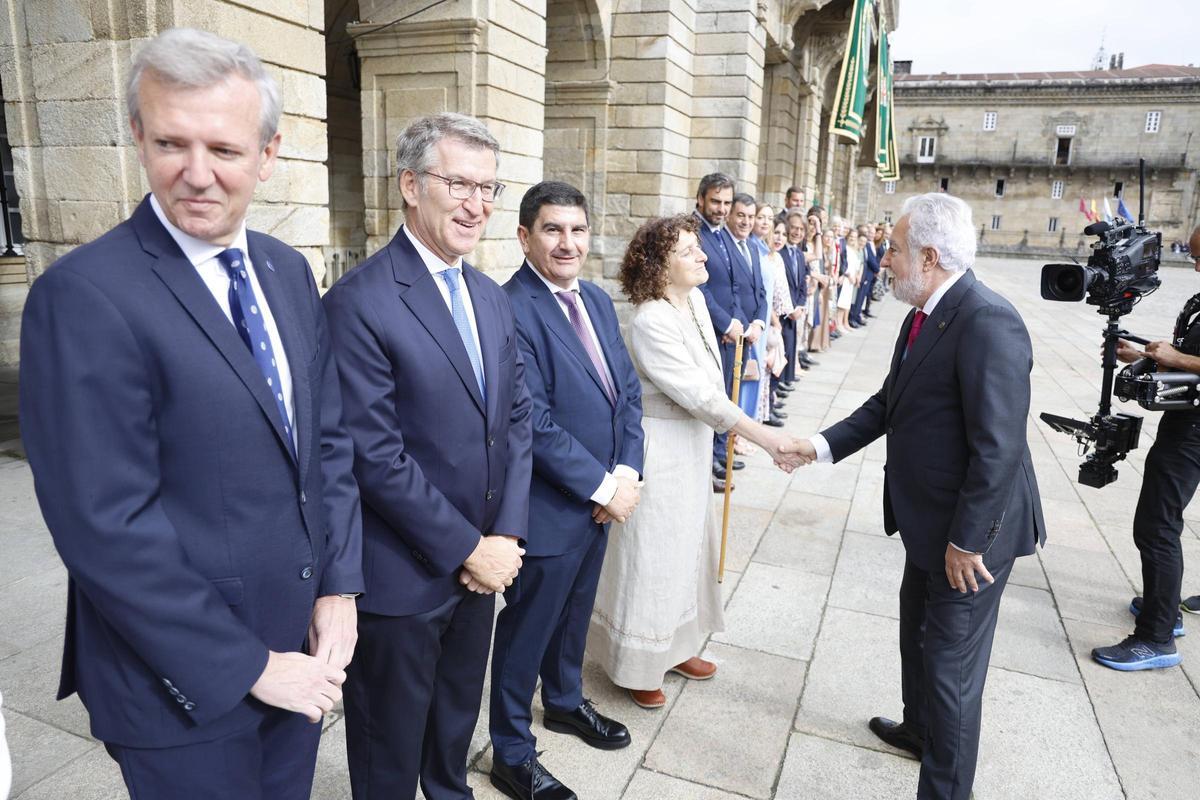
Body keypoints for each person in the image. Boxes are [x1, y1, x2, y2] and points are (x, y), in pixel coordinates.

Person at [18, 28, 363, 799]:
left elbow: (326, 445)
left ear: (268, 154)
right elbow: (104, 525)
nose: (197, 174)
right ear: (138, 136)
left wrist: (338, 588)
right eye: (171, 142)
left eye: (225, 149)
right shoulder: (82, 295)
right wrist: (251, 667)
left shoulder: (286, 270)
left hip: (301, 651)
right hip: (177, 685)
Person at [790, 193, 1046, 800]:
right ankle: (919, 729)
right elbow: (890, 402)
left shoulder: (988, 320)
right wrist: (817, 446)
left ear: (929, 257)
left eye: (895, 250)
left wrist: (966, 542)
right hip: (928, 522)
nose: (886, 260)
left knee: (952, 672)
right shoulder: (923, 314)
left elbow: (999, 448)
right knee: (917, 634)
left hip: (970, 537)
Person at [324, 113, 532, 800]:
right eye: (459, 184)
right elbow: (374, 456)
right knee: (387, 756)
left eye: (489, 187)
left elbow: (517, 422)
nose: (477, 204)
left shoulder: (490, 297)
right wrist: (469, 547)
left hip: (480, 573)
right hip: (402, 581)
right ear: (411, 186)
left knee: (451, 740)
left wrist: (506, 536)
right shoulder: (359, 302)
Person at [588, 215, 807, 710]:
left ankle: (679, 646)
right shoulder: (650, 319)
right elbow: (699, 395)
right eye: (688, 251)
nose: (702, 255)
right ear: (659, 265)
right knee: (654, 554)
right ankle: (638, 662)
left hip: (692, 444)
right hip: (662, 447)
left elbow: (711, 381)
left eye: (698, 248)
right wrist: (764, 437)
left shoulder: (696, 303)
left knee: (689, 549)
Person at [488, 181, 646, 800]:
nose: (567, 243)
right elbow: (531, 419)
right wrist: (602, 485)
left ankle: (563, 701)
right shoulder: (510, 307)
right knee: (527, 629)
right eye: (552, 229)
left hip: (601, 502)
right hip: (549, 505)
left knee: (575, 612)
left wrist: (626, 472)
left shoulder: (597, 301)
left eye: (577, 230)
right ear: (524, 236)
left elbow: (626, 393)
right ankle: (510, 751)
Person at [1093, 223, 1200, 670]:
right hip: (1185, 422)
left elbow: (1188, 361)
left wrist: (1178, 358)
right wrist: (1145, 356)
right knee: (1159, 523)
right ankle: (1163, 607)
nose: (1195, 266)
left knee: (1156, 527)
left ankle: (1156, 638)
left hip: (1193, 433)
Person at [691, 174, 767, 483]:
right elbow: (699, 288)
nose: (721, 209)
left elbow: (734, 286)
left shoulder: (722, 234)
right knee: (712, 398)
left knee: (726, 396)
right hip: (708, 331)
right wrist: (724, 322)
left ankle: (719, 453)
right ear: (700, 199)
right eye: (715, 201)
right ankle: (709, 461)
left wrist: (738, 322)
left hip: (731, 333)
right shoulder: (693, 233)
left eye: (726, 202)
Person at [726, 193, 769, 425]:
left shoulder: (752, 247)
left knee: (746, 383)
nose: (746, 222)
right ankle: (729, 438)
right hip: (734, 331)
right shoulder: (725, 247)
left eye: (751, 217)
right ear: (729, 215)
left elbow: (760, 291)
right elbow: (729, 293)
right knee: (730, 392)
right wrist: (746, 326)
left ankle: (738, 433)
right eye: (741, 215)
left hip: (752, 331)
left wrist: (759, 323)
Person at [762, 218, 795, 427]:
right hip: (770, 318)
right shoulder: (765, 258)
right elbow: (766, 293)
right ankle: (767, 410)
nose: (779, 238)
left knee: (777, 362)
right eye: (776, 233)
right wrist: (775, 320)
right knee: (770, 364)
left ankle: (771, 403)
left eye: (783, 234)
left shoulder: (778, 257)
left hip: (782, 316)